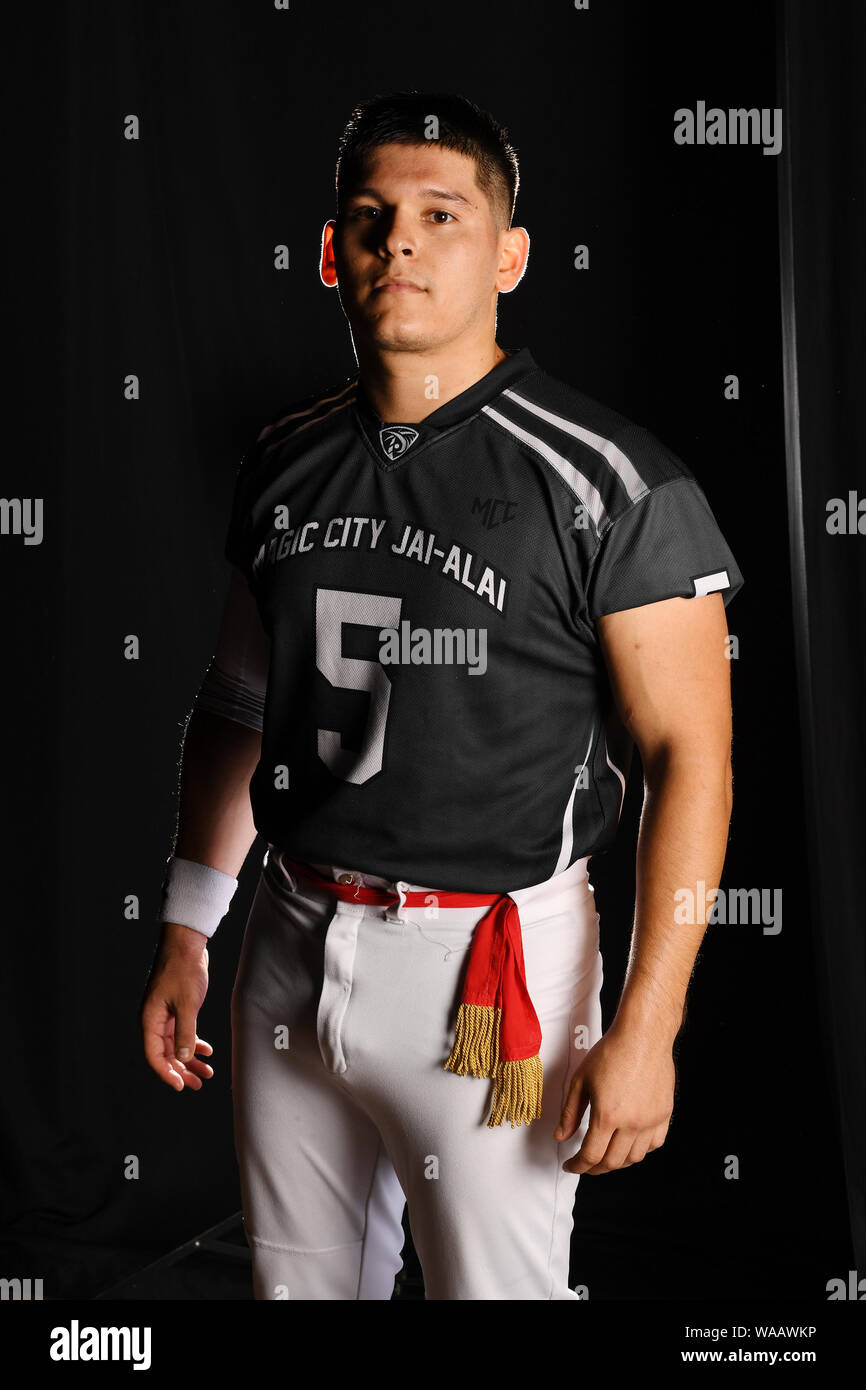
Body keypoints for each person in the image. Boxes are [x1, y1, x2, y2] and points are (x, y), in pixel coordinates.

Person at [141, 89, 744, 1301]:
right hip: (291, 939)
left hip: (489, 972)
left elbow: (691, 757)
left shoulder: (610, 481)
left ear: (508, 254)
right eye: (369, 219)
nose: (398, 242)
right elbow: (241, 699)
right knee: (296, 1292)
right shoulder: (283, 457)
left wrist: (648, 1025)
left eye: (438, 214)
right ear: (330, 254)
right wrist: (188, 923)